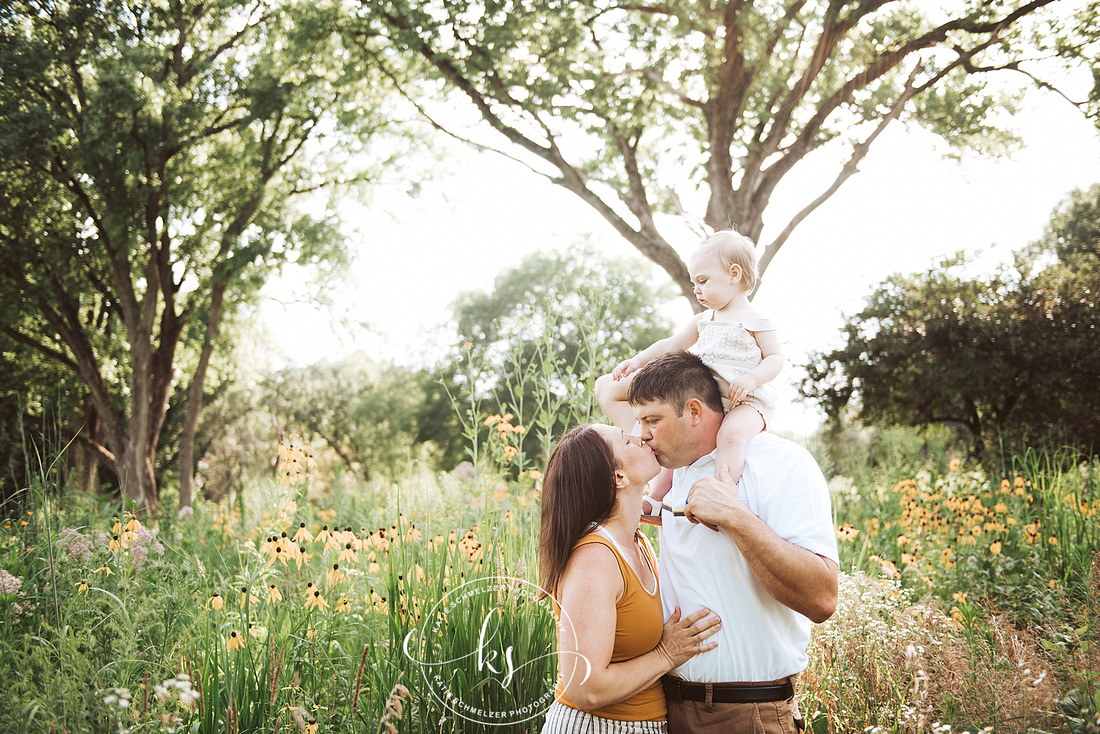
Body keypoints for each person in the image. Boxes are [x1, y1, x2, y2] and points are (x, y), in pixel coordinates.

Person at [623, 350, 839, 733]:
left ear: (693, 411)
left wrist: (736, 516)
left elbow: (822, 598)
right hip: (663, 710)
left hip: (748, 715)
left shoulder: (782, 463)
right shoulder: (674, 475)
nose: (642, 434)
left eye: (652, 420)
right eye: (639, 422)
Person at [539, 423, 723, 733]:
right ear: (618, 477)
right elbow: (585, 689)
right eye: (628, 439)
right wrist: (667, 653)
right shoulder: (594, 559)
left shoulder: (637, 542)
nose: (642, 437)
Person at [595, 230, 783, 512]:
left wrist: (752, 378)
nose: (697, 289)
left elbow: (776, 358)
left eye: (703, 281)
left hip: (747, 401)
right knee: (674, 443)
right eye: (694, 282)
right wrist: (637, 361)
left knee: (730, 436)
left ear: (734, 274)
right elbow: (670, 344)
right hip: (711, 399)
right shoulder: (703, 320)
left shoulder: (756, 320)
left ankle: (724, 493)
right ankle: (656, 498)